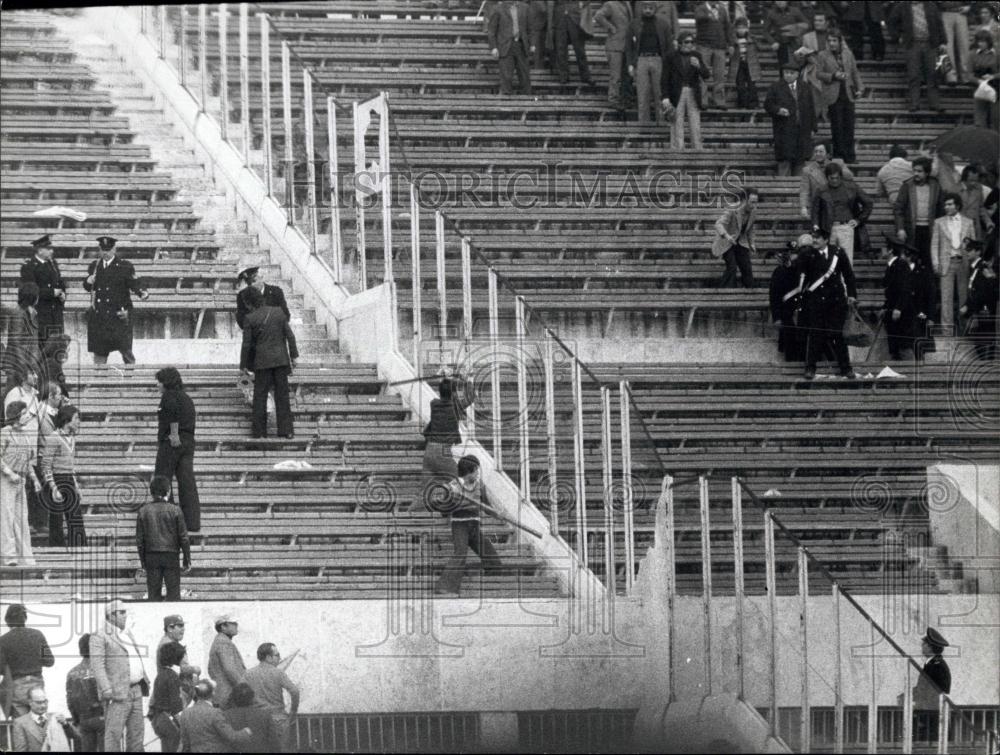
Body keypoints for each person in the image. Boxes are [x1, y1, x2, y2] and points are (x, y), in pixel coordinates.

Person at [434, 455, 503, 596]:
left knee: (493, 559)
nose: (478, 473)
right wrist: (448, 500)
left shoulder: (479, 485)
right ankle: (444, 587)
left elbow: (486, 506)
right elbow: (443, 512)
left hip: (475, 526)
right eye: (476, 470)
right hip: (460, 526)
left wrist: (497, 514)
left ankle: (490, 588)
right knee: (460, 553)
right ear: (468, 472)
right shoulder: (452, 487)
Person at [797, 226, 859, 380]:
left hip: (835, 302)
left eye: (818, 237)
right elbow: (800, 274)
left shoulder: (838, 253)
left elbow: (849, 275)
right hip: (816, 301)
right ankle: (810, 368)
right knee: (815, 335)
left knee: (838, 336)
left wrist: (851, 294)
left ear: (826, 239)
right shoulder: (807, 254)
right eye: (813, 236)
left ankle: (846, 368)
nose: (814, 240)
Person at [89, 599, 150, 753]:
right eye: (121, 612)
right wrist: (106, 689)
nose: (125, 615)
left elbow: (134, 656)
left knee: (137, 734)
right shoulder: (99, 635)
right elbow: (97, 664)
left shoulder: (127, 633)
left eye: (125, 612)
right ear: (111, 615)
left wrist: (144, 676)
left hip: (136, 689)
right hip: (116, 693)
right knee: (114, 735)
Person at [239, 286, 298, 439]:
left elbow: (246, 345)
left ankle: (259, 433)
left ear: (249, 303)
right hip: (280, 361)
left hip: (262, 363)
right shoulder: (278, 312)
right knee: (282, 396)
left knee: (260, 397)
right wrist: (294, 356)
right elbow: (290, 336)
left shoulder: (250, 318)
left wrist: (243, 366)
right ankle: (287, 431)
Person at [83, 236, 149, 366]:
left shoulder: (124, 266)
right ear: (99, 250)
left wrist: (142, 291)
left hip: (118, 315)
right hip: (101, 317)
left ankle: (131, 379)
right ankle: (100, 381)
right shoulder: (95, 267)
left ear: (114, 249)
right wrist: (88, 281)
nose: (105, 253)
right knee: (100, 353)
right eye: (103, 250)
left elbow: (134, 282)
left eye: (108, 249)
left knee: (126, 352)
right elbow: (88, 287)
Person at [153, 367, 200, 532]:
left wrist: (173, 435)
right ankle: (192, 522)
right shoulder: (187, 397)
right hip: (188, 442)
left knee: (162, 480)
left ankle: (169, 522)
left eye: (159, 381)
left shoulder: (169, 396)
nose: (157, 385)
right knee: (187, 481)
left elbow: (172, 414)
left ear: (166, 382)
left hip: (173, 441)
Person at [137, 476, 192, 602]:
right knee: (173, 596)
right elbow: (184, 537)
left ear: (151, 492)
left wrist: (143, 562)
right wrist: (186, 559)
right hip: (171, 555)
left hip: (151, 556)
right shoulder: (175, 510)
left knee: (153, 596)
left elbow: (139, 541)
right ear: (168, 491)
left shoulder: (143, 511)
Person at [422, 374, 475, 503]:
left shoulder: (434, 404)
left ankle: (409, 515)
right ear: (453, 394)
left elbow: (444, 390)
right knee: (462, 480)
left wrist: (446, 379)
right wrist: (464, 379)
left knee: (424, 494)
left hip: (429, 451)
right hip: (442, 452)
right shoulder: (455, 406)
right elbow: (471, 395)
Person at [39, 403, 87, 548]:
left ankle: (79, 550)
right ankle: (56, 553)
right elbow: (45, 465)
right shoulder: (53, 437)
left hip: (69, 480)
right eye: (76, 418)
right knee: (56, 521)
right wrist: (54, 488)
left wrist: (76, 486)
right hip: (56, 480)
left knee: (76, 517)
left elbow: (71, 466)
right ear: (67, 420)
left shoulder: (72, 439)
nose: (78, 422)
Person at [887, 1, 947, 111]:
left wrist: (943, 41)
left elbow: (939, 23)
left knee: (932, 74)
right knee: (913, 74)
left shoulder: (931, 5)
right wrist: (897, 36)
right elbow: (891, 21)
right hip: (912, 44)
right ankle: (914, 103)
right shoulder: (902, 6)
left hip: (930, 44)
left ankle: (935, 104)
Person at [1, 401, 40, 566]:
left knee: (21, 518)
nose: (27, 417)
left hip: (21, 479)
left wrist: (34, 479)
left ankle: (24, 554)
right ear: (16, 416)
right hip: (5, 480)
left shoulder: (25, 435)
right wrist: (9, 473)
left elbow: (28, 460)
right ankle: (8, 555)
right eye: (24, 413)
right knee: (6, 517)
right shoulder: (4, 433)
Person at [814, 32, 862, 164]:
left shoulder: (848, 54)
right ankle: (839, 155)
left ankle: (850, 156)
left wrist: (860, 88)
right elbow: (818, 74)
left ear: (840, 41)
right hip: (833, 95)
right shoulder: (822, 55)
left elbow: (854, 72)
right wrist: (833, 75)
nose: (831, 43)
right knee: (837, 127)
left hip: (848, 94)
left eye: (834, 41)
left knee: (849, 126)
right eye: (829, 41)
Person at [931, 193, 976, 335]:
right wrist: (935, 263)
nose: (946, 207)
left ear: (957, 205)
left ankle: (964, 329)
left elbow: (973, 245)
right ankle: (947, 331)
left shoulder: (968, 222)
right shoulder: (939, 222)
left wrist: (973, 263)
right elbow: (934, 244)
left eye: (950, 204)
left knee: (964, 296)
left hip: (963, 262)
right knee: (946, 298)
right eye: (945, 204)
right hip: (946, 263)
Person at [242, 644, 300, 753]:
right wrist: (293, 710)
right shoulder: (278, 672)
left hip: (256, 720)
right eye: (277, 655)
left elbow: (240, 693)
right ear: (268, 657)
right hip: (278, 718)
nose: (280, 658)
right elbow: (295, 691)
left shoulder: (248, 674)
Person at [811, 161, 873, 263]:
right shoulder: (821, 190)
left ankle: (846, 279)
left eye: (837, 178)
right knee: (828, 261)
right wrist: (816, 225)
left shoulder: (852, 187)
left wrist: (858, 220)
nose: (835, 181)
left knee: (846, 260)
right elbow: (815, 210)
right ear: (827, 177)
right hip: (827, 228)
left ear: (841, 176)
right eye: (832, 178)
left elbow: (868, 203)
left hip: (846, 227)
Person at [763, 63, 816, 176]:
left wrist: (813, 127)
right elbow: (768, 104)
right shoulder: (775, 87)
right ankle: (783, 190)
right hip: (784, 130)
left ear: (797, 74)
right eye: (786, 73)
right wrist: (778, 110)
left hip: (802, 130)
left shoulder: (805, 87)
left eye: (791, 73)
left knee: (800, 162)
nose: (788, 75)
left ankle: (799, 190)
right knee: (784, 161)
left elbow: (811, 107)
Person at [0, 605, 53, 718]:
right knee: (39, 725)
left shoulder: (3, 641)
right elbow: (49, 661)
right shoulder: (38, 635)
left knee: (21, 727)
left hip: (17, 687)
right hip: (37, 686)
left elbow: (0, 668)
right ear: (25, 618)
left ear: (7, 620)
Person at [895, 156, 946, 271]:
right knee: (911, 261)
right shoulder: (907, 186)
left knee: (928, 261)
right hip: (912, 229)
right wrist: (900, 228)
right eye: (914, 171)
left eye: (920, 171)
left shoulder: (936, 186)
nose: (916, 174)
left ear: (927, 172)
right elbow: (899, 209)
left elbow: (941, 209)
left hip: (930, 229)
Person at [624, 1, 672, 123]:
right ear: (641, 9)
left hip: (658, 60)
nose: (648, 10)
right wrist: (630, 64)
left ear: (655, 9)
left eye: (650, 8)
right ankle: (643, 125)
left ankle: (661, 124)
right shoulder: (634, 24)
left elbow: (669, 46)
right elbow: (628, 46)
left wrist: (668, 64)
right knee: (642, 94)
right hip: (641, 60)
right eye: (645, 7)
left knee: (660, 93)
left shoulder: (663, 24)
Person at [663, 33, 711, 150]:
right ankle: (677, 153)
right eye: (686, 42)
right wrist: (665, 97)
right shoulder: (671, 56)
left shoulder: (696, 55)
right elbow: (664, 79)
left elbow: (706, 75)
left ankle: (698, 151)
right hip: (676, 92)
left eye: (691, 42)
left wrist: (699, 66)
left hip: (692, 92)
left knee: (695, 124)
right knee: (676, 123)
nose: (689, 45)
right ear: (680, 44)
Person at [178, 680, 253, 753]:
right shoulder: (215, 713)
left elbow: (185, 742)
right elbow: (231, 736)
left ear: (196, 694)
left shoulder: (185, 713)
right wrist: (246, 732)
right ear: (213, 693)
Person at [19, 235, 65, 348]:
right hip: (41, 315)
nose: (52, 251)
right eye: (48, 249)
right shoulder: (29, 267)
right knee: (42, 350)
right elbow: (29, 292)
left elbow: (60, 283)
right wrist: (51, 293)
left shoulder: (53, 264)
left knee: (56, 350)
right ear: (40, 250)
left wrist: (63, 294)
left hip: (56, 315)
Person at [768, 238, 807, 362]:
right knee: (790, 348)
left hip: (806, 315)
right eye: (793, 254)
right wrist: (777, 317)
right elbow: (774, 296)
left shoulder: (809, 269)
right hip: (787, 315)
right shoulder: (780, 271)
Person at [712, 187, 759, 288]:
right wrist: (727, 236)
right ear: (743, 200)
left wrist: (752, 243)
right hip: (726, 242)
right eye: (752, 202)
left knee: (747, 266)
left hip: (740, 242)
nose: (754, 205)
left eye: (756, 202)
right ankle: (725, 292)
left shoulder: (753, 211)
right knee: (732, 267)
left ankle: (749, 292)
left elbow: (750, 229)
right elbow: (718, 224)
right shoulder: (732, 209)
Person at [66, 633, 105, 753]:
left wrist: (77, 721)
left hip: (84, 721)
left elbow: (70, 701)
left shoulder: (72, 673)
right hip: (103, 718)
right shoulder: (103, 669)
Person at [883, 239, 921, 360]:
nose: (880, 251)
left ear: (890, 250)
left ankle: (910, 373)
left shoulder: (901, 265)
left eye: (883, 248)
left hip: (902, 313)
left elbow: (905, 289)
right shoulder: (891, 265)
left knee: (904, 345)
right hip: (893, 311)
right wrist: (885, 307)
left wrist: (898, 308)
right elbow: (890, 291)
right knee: (895, 346)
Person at [961, 239, 999, 359]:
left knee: (984, 336)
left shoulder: (982, 267)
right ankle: (986, 361)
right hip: (980, 307)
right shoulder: (975, 267)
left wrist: (969, 306)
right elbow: (973, 288)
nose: (967, 252)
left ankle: (988, 362)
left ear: (978, 252)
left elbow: (983, 291)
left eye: (970, 250)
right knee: (981, 337)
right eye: (966, 250)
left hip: (984, 307)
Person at [913, 627, 952, 742]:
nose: (922, 647)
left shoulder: (937, 665)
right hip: (930, 711)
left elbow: (933, 689)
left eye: (924, 644)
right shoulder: (933, 663)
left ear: (930, 647)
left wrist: (914, 696)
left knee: (929, 743)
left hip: (932, 713)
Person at [693, 0, 735, 108]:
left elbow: (727, 27)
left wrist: (730, 43)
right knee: (703, 74)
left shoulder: (722, 9)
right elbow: (699, 18)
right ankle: (703, 100)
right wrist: (710, 13)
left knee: (720, 75)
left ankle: (719, 101)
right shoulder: (700, 8)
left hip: (720, 47)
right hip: (704, 46)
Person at [487, 0, 534, 95]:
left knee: (525, 77)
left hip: (521, 46)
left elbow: (530, 28)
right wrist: (494, 47)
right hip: (505, 46)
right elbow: (491, 31)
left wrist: (532, 44)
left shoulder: (525, 8)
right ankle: (507, 104)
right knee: (506, 77)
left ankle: (527, 103)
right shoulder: (498, 9)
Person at [4, 283, 42, 395]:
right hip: (17, 366)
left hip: (27, 364)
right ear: (32, 297)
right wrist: (24, 368)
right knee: (11, 396)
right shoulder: (18, 314)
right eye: (37, 295)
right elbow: (15, 342)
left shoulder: (32, 313)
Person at [594, 0, 633, 110]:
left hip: (627, 46)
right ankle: (613, 99)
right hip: (614, 45)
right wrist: (610, 27)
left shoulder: (628, 4)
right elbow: (598, 16)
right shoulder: (610, 4)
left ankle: (626, 99)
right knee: (616, 76)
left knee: (627, 75)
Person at [149, 640, 187, 753]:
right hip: (169, 720)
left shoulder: (161, 675)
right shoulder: (173, 676)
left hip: (159, 719)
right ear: (177, 658)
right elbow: (176, 706)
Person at [800, 143, 854, 219]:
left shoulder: (837, 163)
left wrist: (835, 167)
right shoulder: (807, 170)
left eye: (821, 151)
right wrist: (804, 207)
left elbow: (850, 176)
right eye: (816, 151)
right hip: (819, 206)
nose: (818, 154)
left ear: (828, 154)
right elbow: (804, 191)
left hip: (838, 205)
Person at [11, 686, 73, 753]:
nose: (43, 705)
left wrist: (65, 724)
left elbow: (77, 737)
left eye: (45, 702)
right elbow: (20, 750)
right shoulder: (20, 723)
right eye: (39, 703)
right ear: (30, 702)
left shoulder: (55, 718)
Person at [548, 0, 594, 86]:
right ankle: (563, 76)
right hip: (559, 18)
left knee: (580, 50)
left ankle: (586, 76)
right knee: (561, 50)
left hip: (575, 18)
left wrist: (583, 3)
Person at [224, 683, 277, 753]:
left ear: (233, 698)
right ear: (252, 697)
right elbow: (274, 743)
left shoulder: (225, 716)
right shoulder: (265, 715)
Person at [235, 263, 289, 331]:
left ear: (261, 277)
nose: (252, 285)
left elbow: (285, 314)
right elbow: (240, 317)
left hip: (274, 334)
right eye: (249, 283)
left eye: (254, 281)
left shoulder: (276, 292)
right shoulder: (242, 295)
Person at [207, 614, 245, 710]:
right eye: (233, 623)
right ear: (223, 627)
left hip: (222, 694)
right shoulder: (223, 642)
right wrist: (244, 688)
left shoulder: (219, 641)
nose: (236, 625)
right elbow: (230, 669)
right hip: (229, 695)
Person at [727, 16, 765, 109]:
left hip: (750, 64)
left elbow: (760, 48)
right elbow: (728, 52)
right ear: (735, 29)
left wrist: (753, 41)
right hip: (738, 64)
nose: (741, 30)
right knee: (740, 85)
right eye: (739, 28)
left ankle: (753, 104)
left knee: (752, 85)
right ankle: (742, 104)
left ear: (747, 29)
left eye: (743, 28)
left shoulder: (751, 38)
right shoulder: (732, 40)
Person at [764, 0, 809, 66]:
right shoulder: (771, 13)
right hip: (781, 45)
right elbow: (765, 31)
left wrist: (797, 30)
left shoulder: (795, 11)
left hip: (795, 43)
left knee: (799, 65)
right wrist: (773, 42)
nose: (780, 2)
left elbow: (807, 25)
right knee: (784, 67)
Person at [970, 29, 1000, 128]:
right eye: (979, 41)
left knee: (996, 118)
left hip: (995, 88)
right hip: (979, 89)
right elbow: (968, 74)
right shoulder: (973, 54)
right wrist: (978, 81)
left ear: (988, 42)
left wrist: (993, 76)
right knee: (980, 119)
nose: (980, 44)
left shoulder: (997, 54)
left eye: (983, 41)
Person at [938, 2, 973, 83]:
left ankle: (966, 77)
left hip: (960, 12)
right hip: (944, 11)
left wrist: (970, 6)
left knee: (964, 46)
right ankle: (950, 76)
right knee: (947, 46)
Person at [959, 164, 994, 242]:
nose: (974, 183)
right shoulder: (955, 189)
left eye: (976, 180)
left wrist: (988, 222)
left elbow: (981, 208)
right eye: (971, 180)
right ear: (964, 179)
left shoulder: (978, 189)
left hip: (974, 229)